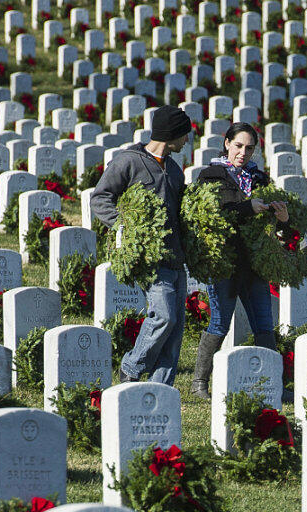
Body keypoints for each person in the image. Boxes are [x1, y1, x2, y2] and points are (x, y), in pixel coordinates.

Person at [90, 105, 192, 385]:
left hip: (176, 257)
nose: (187, 140)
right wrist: (126, 226)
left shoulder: (173, 168)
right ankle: (132, 367)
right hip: (149, 257)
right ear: (171, 133)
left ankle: (161, 388)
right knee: (164, 316)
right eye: (185, 134)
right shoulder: (129, 161)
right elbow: (100, 198)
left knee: (175, 331)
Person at [190, 122, 289, 400]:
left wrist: (282, 219)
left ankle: (273, 385)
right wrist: (248, 207)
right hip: (224, 263)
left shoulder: (260, 179)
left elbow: (271, 225)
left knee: (263, 325)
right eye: (238, 146)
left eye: (249, 148)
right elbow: (212, 215)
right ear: (226, 143)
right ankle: (199, 383)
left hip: (254, 265)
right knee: (220, 322)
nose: (243, 153)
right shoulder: (210, 176)